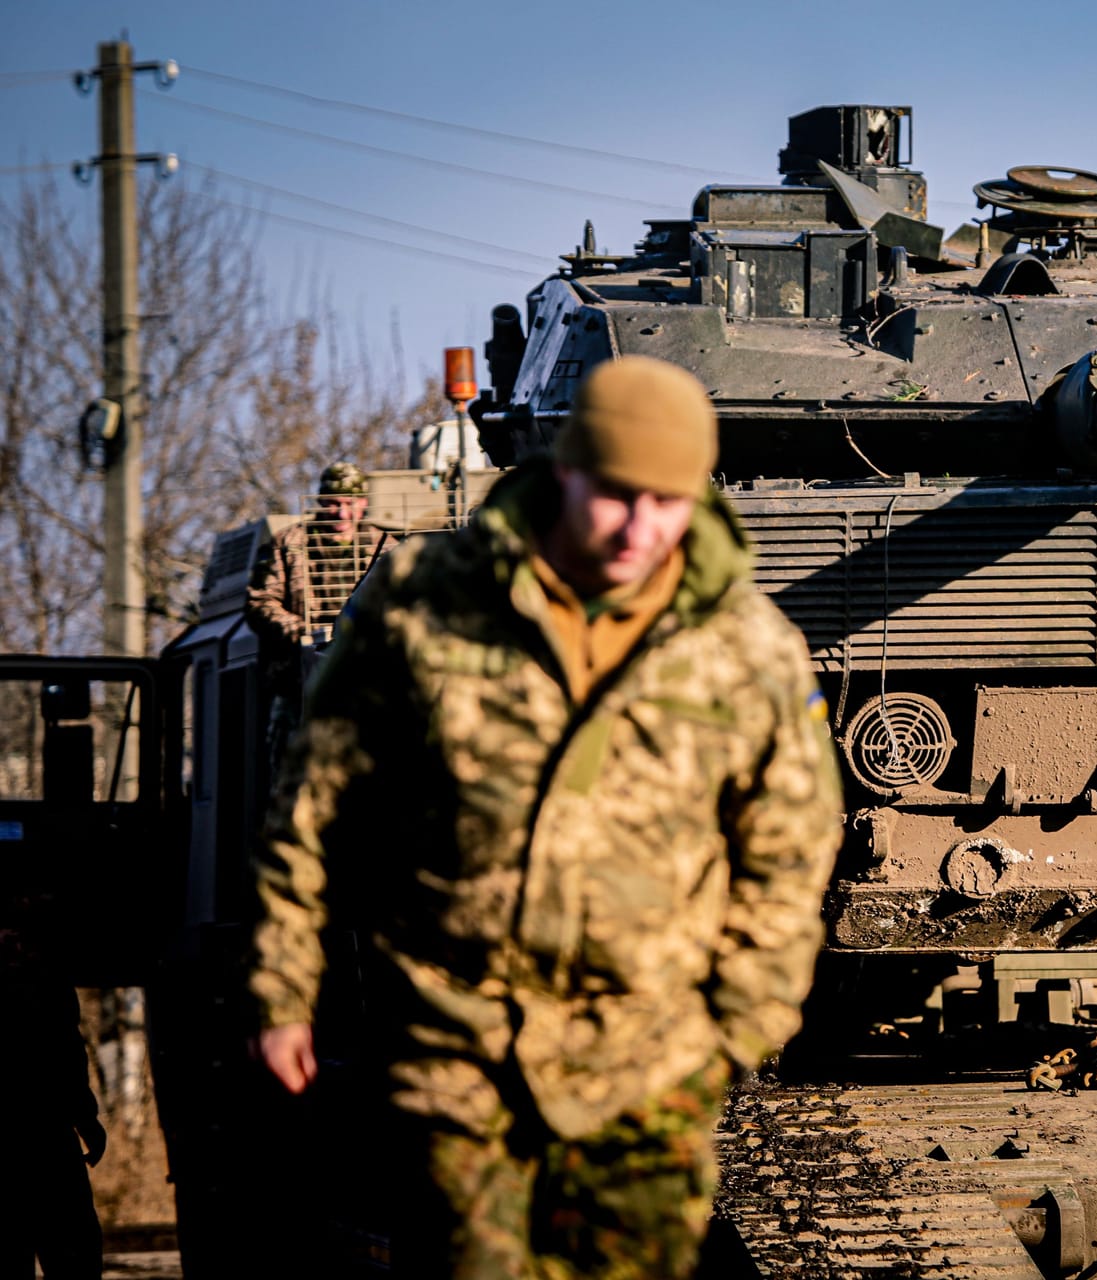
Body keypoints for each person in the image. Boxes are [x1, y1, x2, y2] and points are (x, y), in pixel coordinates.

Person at [248, 356, 843, 1279]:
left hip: (650, 1060)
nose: (639, 528)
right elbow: (314, 807)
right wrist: (285, 989)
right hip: (457, 1048)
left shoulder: (746, 646)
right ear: (565, 469)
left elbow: (791, 845)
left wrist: (741, 1024)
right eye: (616, 494)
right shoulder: (425, 605)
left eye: (668, 501)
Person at [245, 461, 383, 782]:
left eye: (349, 503)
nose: (341, 513)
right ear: (320, 502)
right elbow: (259, 602)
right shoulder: (289, 544)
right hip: (297, 685)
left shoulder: (383, 545)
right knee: (292, 774)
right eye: (333, 503)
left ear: (363, 504)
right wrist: (304, 634)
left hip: (366, 686)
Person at [0, 906, 107, 1280]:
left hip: (46, 1140)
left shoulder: (46, 984)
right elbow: (65, 1055)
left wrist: (86, 1119)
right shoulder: (46, 984)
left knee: (71, 1254)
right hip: (46, 1143)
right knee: (72, 1254)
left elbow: (66, 1055)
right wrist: (87, 1121)